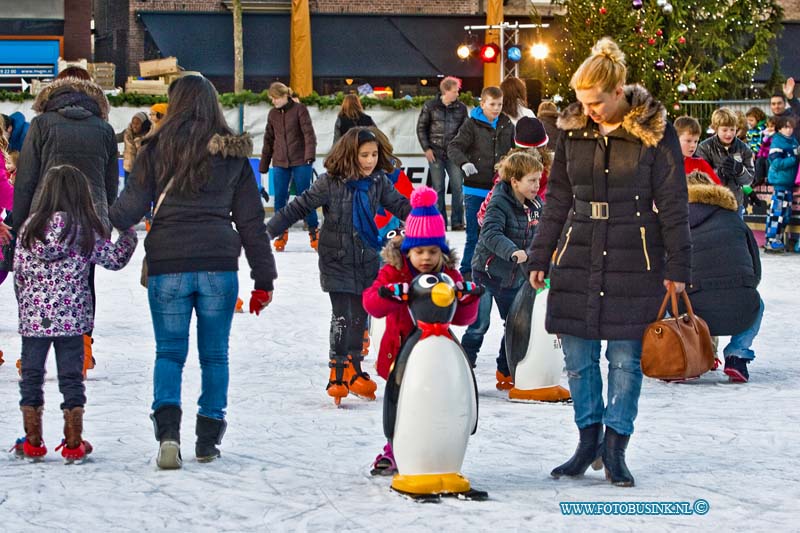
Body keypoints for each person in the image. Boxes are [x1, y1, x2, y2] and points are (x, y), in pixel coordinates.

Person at [528, 38, 691, 487]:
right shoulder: (573, 131)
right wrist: (541, 253)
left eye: (596, 103)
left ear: (618, 91)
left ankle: (615, 445)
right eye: (582, 103)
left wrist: (679, 269)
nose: (590, 111)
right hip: (577, 251)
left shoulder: (654, 133)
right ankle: (587, 440)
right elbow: (558, 195)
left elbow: (674, 203)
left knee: (625, 361)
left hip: (634, 256)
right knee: (579, 359)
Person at [109, 75, 277, 469]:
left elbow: (127, 211)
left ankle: (168, 436)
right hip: (219, 265)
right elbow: (252, 223)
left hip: (168, 263)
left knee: (169, 353)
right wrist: (263, 279)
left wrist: (92, 211)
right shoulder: (232, 154)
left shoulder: (156, 148)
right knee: (215, 356)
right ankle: (208, 439)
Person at [265, 127, 411, 406]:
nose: (369, 160)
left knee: (361, 314)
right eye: (364, 155)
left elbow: (401, 205)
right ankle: (338, 370)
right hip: (336, 257)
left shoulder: (379, 181)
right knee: (342, 313)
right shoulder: (330, 182)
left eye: (373, 154)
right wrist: (267, 234)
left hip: (367, 256)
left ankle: (355, 369)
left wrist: (425, 218)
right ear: (349, 155)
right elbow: (298, 207)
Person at [11, 165, 137, 462]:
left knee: (31, 376)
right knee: (70, 379)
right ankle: (73, 441)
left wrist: (28, 306)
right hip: (72, 318)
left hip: (34, 319)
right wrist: (128, 232)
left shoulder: (28, 227)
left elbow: (19, 272)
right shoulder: (82, 230)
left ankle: (32, 440)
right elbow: (115, 259)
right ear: (81, 195)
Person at [362, 186, 480, 475]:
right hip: (400, 353)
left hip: (439, 355)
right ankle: (394, 447)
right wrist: (388, 294)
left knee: (436, 402)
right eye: (418, 251)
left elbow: (464, 319)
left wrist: (467, 297)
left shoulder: (449, 275)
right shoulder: (394, 271)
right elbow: (371, 304)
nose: (425, 258)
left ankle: (438, 446)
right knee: (403, 403)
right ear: (407, 250)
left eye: (432, 251)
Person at [13, 66, 119, 374]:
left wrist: (20, 223)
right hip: (90, 219)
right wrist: (105, 219)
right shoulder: (104, 129)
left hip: (44, 217)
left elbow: (27, 180)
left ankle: (35, 352)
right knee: (83, 281)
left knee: (36, 281)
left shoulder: (41, 124)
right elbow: (110, 185)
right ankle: (83, 347)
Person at [463, 151, 543, 389]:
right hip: (487, 274)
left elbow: (542, 233)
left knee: (515, 323)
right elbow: (490, 233)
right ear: (515, 181)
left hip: (514, 276)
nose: (537, 185)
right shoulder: (499, 201)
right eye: (532, 180)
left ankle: (506, 369)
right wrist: (513, 251)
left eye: (539, 180)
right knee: (479, 324)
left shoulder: (536, 205)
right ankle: (464, 365)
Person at [682, 170, 763, 383]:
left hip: (692, 310)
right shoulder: (735, 220)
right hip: (741, 308)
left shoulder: (675, 221)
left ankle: (687, 353)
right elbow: (756, 269)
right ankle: (737, 354)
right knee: (758, 303)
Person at [447, 86, 515, 278]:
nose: (496, 108)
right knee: (474, 235)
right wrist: (465, 163)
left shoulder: (506, 123)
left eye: (499, 104)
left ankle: (495, 270)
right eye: (492, 104)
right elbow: (454, 147)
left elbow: (514, 151)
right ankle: (467, 272)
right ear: (483, 103)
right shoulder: (471, 124)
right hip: (475, 189)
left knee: (499, 233)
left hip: (499, 189)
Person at [259, 81, 319, 251]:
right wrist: (264, 163)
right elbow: (268, 139)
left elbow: (309, 134)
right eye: (272, 99)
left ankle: (314, 232)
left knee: (305, 197)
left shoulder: (300, 110)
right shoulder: (272, 114)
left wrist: (309, 156)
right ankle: (280, 233)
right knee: (280, 199)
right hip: (280, 161)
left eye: (276, 98)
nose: (274, 102)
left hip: (301, 160)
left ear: (285, 95)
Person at [417, 76, 468, 230]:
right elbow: (421, 128)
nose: (457, 94)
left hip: (454, 153)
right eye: (455, 91)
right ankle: (440, 222)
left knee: (457, 187)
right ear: (446, 91)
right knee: (438, 188)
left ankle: (458, 221)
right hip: (435, 152)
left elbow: (466, 131)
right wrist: (426, 148)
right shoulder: (430, 106)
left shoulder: (461, 108)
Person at [695, 107, 754, 216]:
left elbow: (749, 179)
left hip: (735, 202)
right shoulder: (704, 147)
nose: (729, 134)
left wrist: (740, 170)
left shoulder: (744, 149)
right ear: (716, 129)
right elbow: (700, 177)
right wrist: (719, 173)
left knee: (736, 232)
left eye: (732, 129)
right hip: (712, 203)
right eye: (725, 130)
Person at [764, 115, 799, 252]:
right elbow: (776, 162)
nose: (789, 130)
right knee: (777, 213)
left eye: (791, 127)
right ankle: (771, 239)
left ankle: (778, 238)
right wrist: (794, 159)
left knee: (786, 214)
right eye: (785, 127)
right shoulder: (778, 141)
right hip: (780, 184)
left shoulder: (793, 141)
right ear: (779, 128)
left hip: (789, 185)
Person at [674, 116, 721, 184]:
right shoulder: (664, 164)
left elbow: (719, 188)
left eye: (696, 141)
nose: (693, 145)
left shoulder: (701, 164)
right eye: (688, 141)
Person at [122, 111, 151, 186]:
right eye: (133, 123)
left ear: (144, 124)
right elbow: (114, 138)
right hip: (128, 170)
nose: (134, 126)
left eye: (137, 123)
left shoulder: (149, 137)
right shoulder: (127, 133)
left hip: (142, 172)